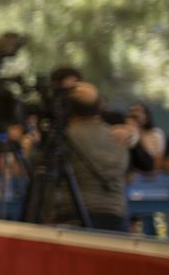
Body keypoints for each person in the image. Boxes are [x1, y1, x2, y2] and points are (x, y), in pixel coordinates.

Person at [39, 82, 129, 230]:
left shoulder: (66, 136)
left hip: (73, 214)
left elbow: (45, 173)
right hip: (115, 213)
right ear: (99, 106)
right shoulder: (118, 135)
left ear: (68, 108)